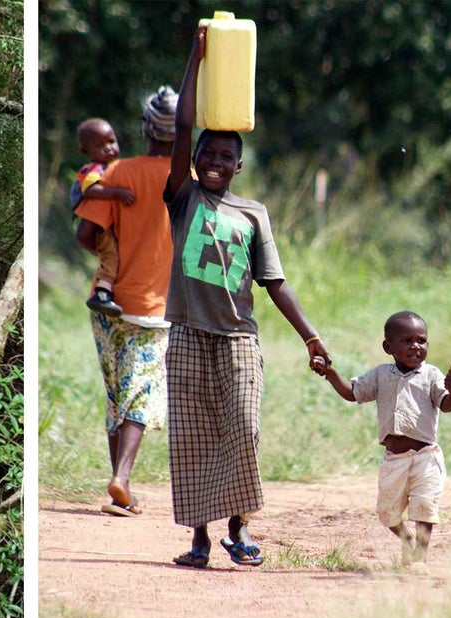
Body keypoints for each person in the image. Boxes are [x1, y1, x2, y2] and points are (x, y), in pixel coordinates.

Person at [164, 26, 330, 570]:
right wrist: (197, 55)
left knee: (244, 427)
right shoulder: (183, 197)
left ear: (238, 165)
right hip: (189, 332)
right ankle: (199, 538)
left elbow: (274, 281)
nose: (212, 160)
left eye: (224, 156)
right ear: (194, 161)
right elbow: (183, 124)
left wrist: (310, 335)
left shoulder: (253, 213)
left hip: (238, 337)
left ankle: (238, 527)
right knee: (192, 437)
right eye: (205, 153)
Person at [75, 87, 179, 518]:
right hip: (155, 306)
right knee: (143, 392)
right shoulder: (189, 176)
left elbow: (84, 234)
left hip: (108, 301)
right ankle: (122, 478)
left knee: (117, 392)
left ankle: (121, 485)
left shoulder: (117, 172)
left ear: (145, 128)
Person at [313, 311, 451, 573]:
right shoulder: (381, 375)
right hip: (394, 460)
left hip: (426, 456)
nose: (415, 346)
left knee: (424, 505)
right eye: (406, 341)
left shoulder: (432, 375)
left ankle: (420, 558)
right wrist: (330, 373)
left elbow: (447, 405)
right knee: (387, 512)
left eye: (422, 340)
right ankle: (407, 539)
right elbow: (352, 392)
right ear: (388, 347)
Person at [71, 118, 136, 317]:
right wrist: (117, 193)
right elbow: (90, 190)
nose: (108, 148)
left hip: (107, 223)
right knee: (111, 255)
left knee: (115, 255)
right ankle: (101, 294)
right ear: (86, 151)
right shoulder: (93, 169)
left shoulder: (111, 168)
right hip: (98, 225)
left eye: (111, 141)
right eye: (99, 146)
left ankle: (109, 289)